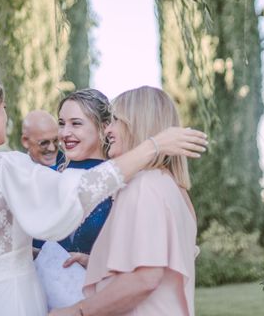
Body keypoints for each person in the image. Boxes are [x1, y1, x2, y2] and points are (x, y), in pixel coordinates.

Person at [0, 73, 207, 316]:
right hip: (11, 300)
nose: (7, 117)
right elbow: (73, 192)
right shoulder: (1, 164)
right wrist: (153, 147)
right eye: (3, 109)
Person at [51, 86, 200, 316]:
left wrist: (77, 311)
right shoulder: (173, 187)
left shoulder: (144, 185)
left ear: (137, 123)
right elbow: (161, 265)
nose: (108, 129)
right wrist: (95, 262)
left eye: (115, 120)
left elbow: (145, 279)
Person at [55, 89, 113, 256]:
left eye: (76, 123)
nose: (65, 133)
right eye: (61, 123)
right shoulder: (52, 177)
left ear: (103, 127)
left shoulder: (119, 179)